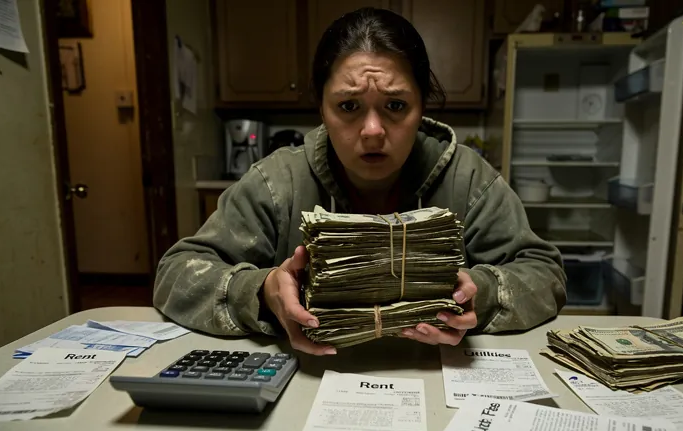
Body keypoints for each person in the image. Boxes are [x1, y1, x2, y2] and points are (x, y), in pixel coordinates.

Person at [153, 7, 567, 355]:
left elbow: (544, 273)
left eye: (395, 105)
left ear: (422, 106)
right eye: (348, 105)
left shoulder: (468, 179)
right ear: (322, 108)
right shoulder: (279, 183)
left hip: (437, 379)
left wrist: (481, 291)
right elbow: (176, 274)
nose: (371, 130)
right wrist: (261, 292)